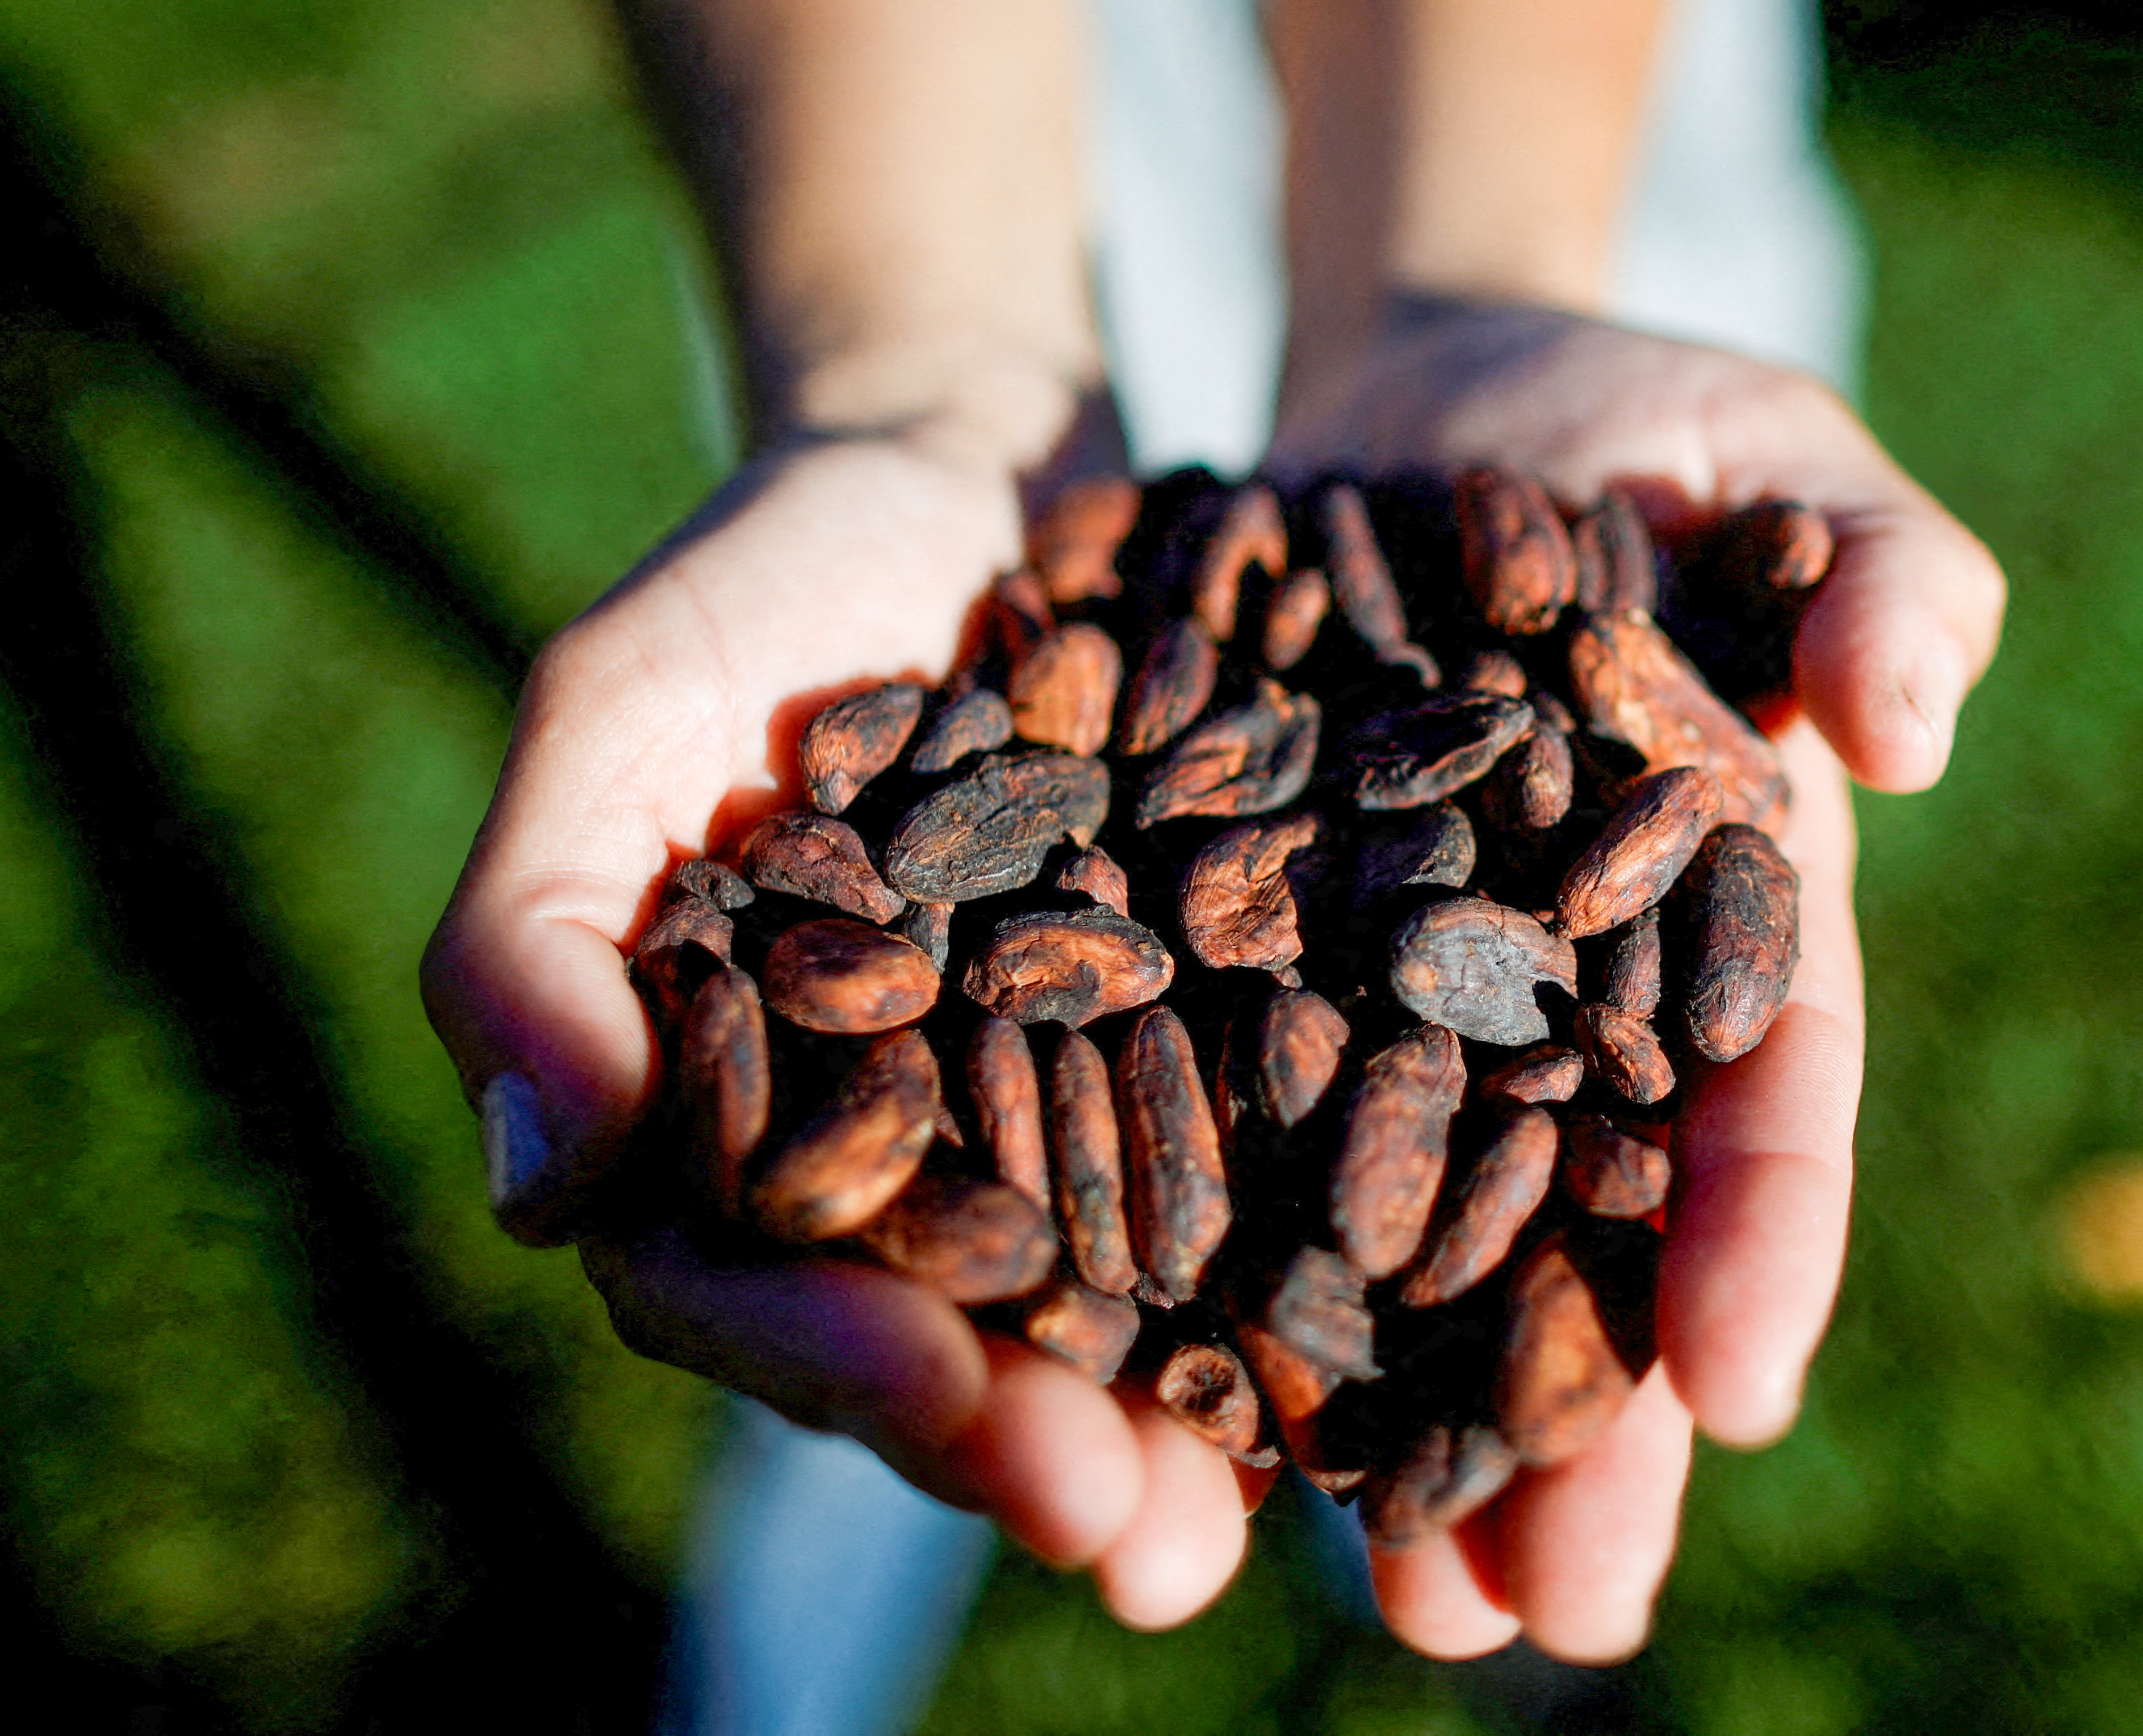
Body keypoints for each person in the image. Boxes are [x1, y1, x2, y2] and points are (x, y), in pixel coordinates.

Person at [418, 0, 2006, 1706]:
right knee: (872, 1292)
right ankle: (778, 1673)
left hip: (1564, 170)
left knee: (1348, 1343)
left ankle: (1372, 1470)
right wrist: (912, 373)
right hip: (920, 212)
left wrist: (1467, 273)